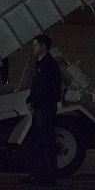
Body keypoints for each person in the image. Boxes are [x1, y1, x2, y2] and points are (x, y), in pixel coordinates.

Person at [23, 34, 62, 186]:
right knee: (38, 142)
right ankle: (38, 174)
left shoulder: (48, 65)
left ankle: (48, 176)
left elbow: (47, 89)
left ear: (44, 46)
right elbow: (37, 87)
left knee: (46, 142)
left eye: (36, 44)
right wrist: (30, 100)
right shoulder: (40, 63)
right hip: (39, 107)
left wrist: (34, 103)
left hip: (44, 108)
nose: (33, 47)